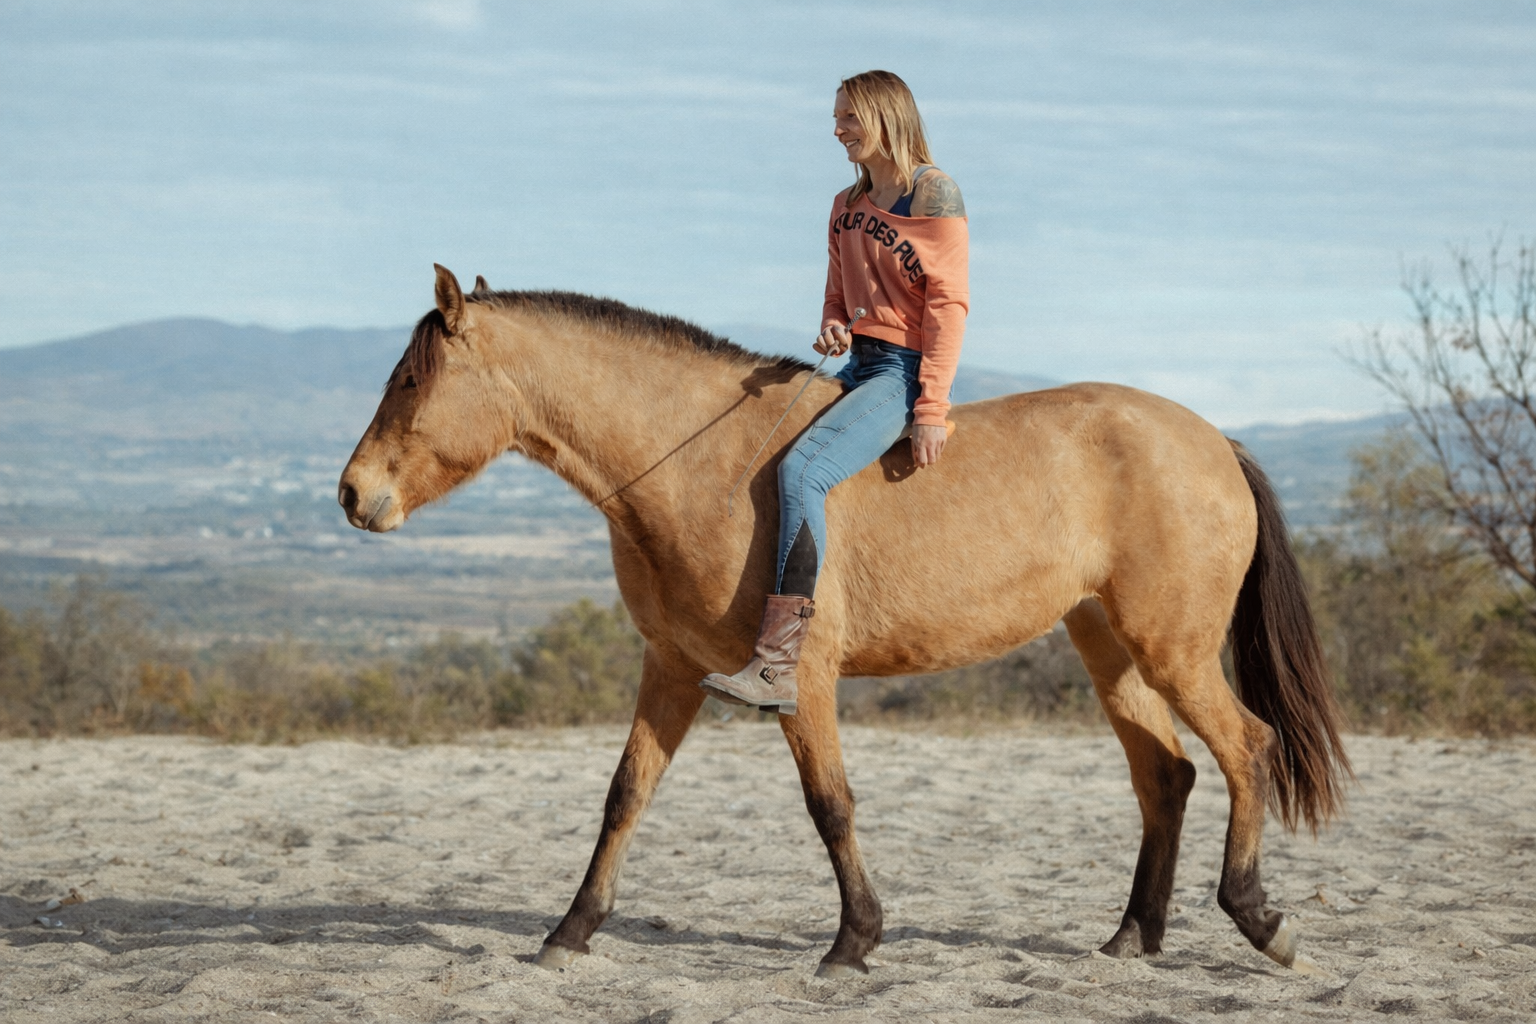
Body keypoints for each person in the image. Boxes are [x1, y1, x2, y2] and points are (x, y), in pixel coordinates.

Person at [702, 69, 969, 715]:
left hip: (900, 373)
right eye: (838, 116)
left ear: (884, 117)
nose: (838, 128)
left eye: (849, 117)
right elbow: (835, 285)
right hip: (855, 362)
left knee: (803, 473)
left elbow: (948, 306)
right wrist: (832, 322)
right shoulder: (845, 203)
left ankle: (778, 666)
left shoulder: (932, 195)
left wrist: (931, 407)